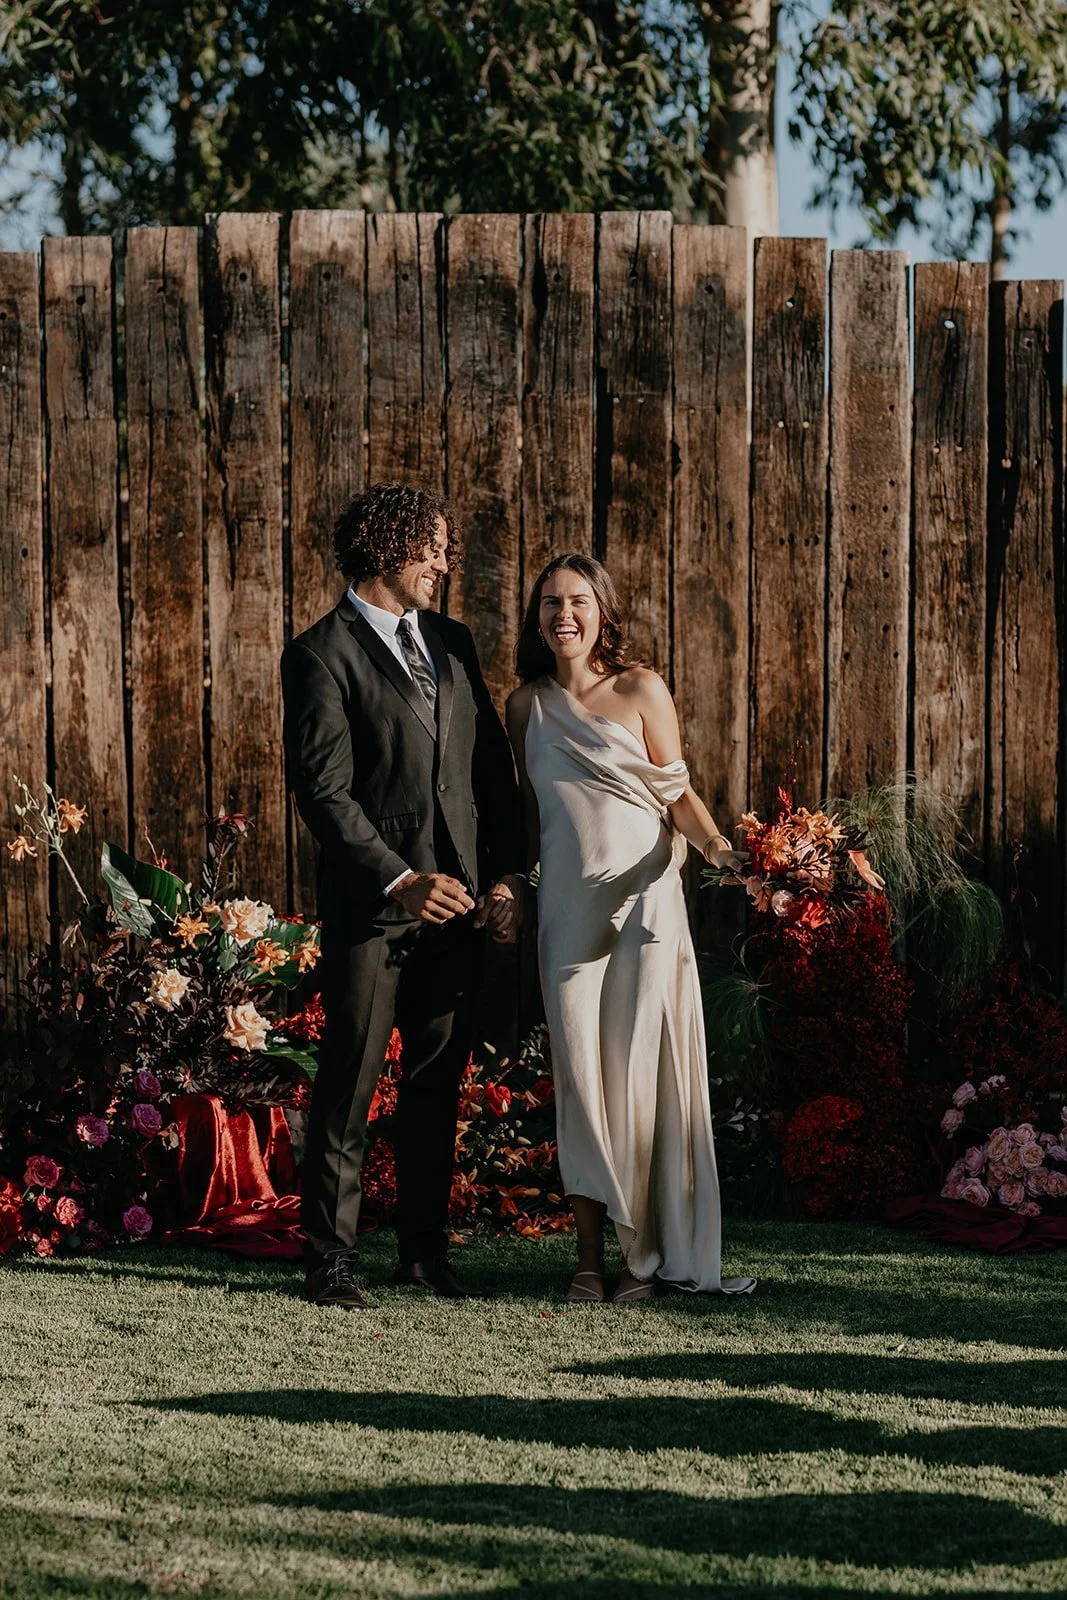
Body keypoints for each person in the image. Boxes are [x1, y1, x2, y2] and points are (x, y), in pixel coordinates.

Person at [281, 484, 523, 1309]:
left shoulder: (452, 642)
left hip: (458, 907)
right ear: (389, 548)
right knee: (348, 1085)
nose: (444, 563)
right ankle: (330, 1261)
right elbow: (324, 794)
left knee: (435, 1086)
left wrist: (504, 877)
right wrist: (399, 878)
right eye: (434, 548)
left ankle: (422, 1255)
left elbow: (489, 771)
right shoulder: (319, 655)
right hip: (375, 910)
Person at [504, 553, 756, 1304]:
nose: (563, 616)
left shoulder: (641, 688)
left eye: (577, 601)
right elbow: (527, 825)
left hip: (646, 908)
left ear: (602, 612)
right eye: (548, 603)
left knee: (639, 1080)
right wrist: (512, 888)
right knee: (582, 1084)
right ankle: (586, 1260)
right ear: (536, 618)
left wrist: (720, 853)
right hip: (568, 921)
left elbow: (678, 798)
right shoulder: (524, 707)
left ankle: (640, 1264)